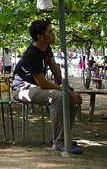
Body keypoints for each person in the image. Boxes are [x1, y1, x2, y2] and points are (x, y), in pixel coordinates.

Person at [12, 19, 83, 154]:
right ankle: (59, 142)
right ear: (40, 37)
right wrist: (66, 91)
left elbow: (55, 68)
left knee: (74, 98)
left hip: (35, 87)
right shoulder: (31, 54)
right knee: (57, 97)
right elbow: (42, 83)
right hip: (22, 88)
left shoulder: (46, 48)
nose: (53, 34)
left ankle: (64, 136)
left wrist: (68, 88)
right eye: (50, 32)